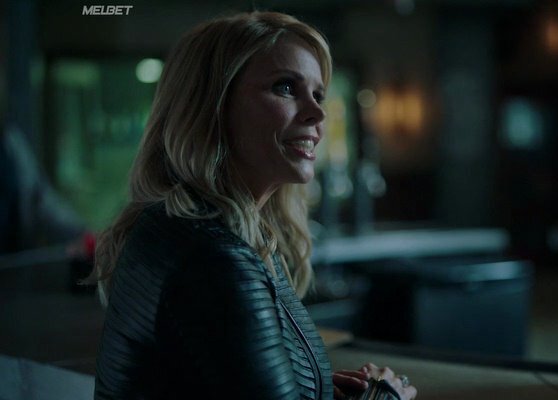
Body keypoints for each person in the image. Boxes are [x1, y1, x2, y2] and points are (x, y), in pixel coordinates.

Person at [86, 11, 418, 400]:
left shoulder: (205, 232)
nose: (318, 113)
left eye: (318, 94)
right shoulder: (213, 257)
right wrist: (383, 396)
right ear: (212, 106)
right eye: (286, 87)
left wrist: (311, 389)